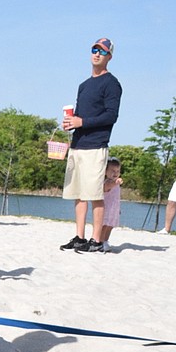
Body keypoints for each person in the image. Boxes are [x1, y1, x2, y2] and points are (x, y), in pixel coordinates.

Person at [59, 38, 122, 254]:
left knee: (95, 194)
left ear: (109, 57)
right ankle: (79, 237)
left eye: (102, 52)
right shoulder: (83, 85)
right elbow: (80, 115)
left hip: (96, 145)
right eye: (94, 50)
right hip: (78, 144)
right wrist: (71, 122)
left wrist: (82, 122)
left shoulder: (112, 83)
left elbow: (111, 116)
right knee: (78, 193)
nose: (97, 54)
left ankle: (96, 240)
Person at [95, 157, 122, 251]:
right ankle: (101, 241)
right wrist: (115, 183)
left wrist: (118, 209)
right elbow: (107, 187)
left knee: (110, 226)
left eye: (118, 171)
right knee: (104, 226)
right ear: (105, 172)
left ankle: (106, 241)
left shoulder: (116, 183)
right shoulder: (107, 182)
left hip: (114, 209)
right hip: (106, 209)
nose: (115, 173)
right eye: (113, 171)